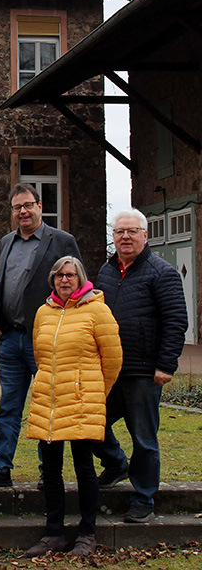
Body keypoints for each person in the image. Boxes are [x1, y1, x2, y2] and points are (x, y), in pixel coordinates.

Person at [0, 183, 82, 489]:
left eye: (28, 205)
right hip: (11, 339)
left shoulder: (62, 241)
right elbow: (1, 285)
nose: (23, 212)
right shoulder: (7, 242)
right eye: (17, 207)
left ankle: (49, 473)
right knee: (8, 407)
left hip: (46, 340)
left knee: (47, 407)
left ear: (40, 206)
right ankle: (0, 468)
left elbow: (78, 287)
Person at [93, 209, 187, 523]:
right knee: (92, 425)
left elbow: (176, 321)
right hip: (109, 369)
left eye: (132, 231)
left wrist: (166, 365)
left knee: (144, 439)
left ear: (145, 235)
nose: (125, 237)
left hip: (144, 371)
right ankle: (116, 464)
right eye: (120, 232)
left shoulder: (162, 272)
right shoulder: (106, 271)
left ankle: (144, 498)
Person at [24, 256, 122, 557]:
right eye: (59, 275)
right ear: (52, 280)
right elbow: (40, 354)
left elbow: (112, 359)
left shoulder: (97, 310)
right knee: (51, 470)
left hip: (82, 399)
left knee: (84, 467)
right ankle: (53, 533)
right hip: (50, 401)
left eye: (70, 275)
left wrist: (93, 391)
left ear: (81, 278)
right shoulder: (44, 312)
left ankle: (87, 533)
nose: (65, 280)